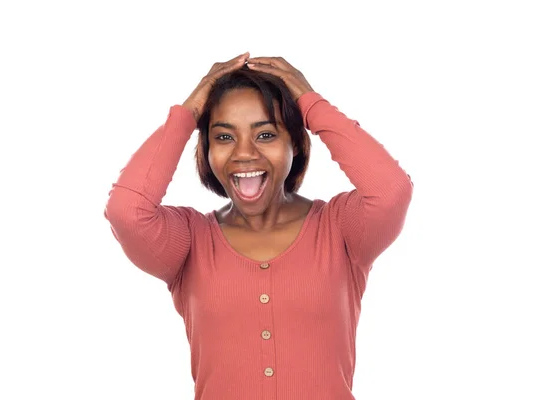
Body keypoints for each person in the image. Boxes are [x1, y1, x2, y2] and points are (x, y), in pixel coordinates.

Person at [104, 52, 413, 400]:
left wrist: (311, 105)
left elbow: (391, 191)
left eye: (265, 135)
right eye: (223, 137)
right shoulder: (188, 242)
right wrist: (187, 113)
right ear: (206, 149)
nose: (244, 153)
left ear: (294, 142)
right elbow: (126, 210)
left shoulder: (340, 229)